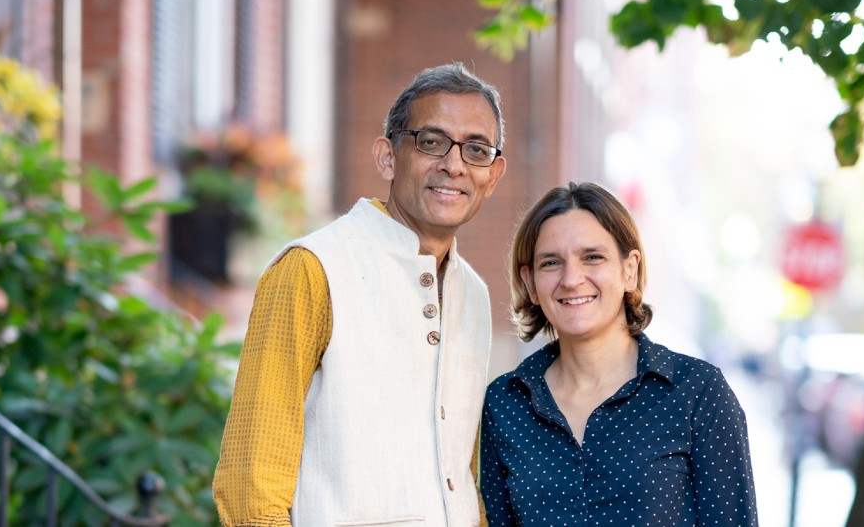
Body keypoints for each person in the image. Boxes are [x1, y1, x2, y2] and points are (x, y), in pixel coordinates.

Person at [213, 62, 508, 526]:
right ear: (387, 157)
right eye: (431, 142)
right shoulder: (311, 270)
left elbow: (463, 473)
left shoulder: (474, 294)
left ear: (493, 176)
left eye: (476, 149)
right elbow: (251, 483)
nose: (454, 164)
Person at [480, 181, 758, 526]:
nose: (571, 279)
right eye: (551, 263)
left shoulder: (697, 392)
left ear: (630, 269)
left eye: (592, 257)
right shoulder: (505, 404)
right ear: (530, 283)